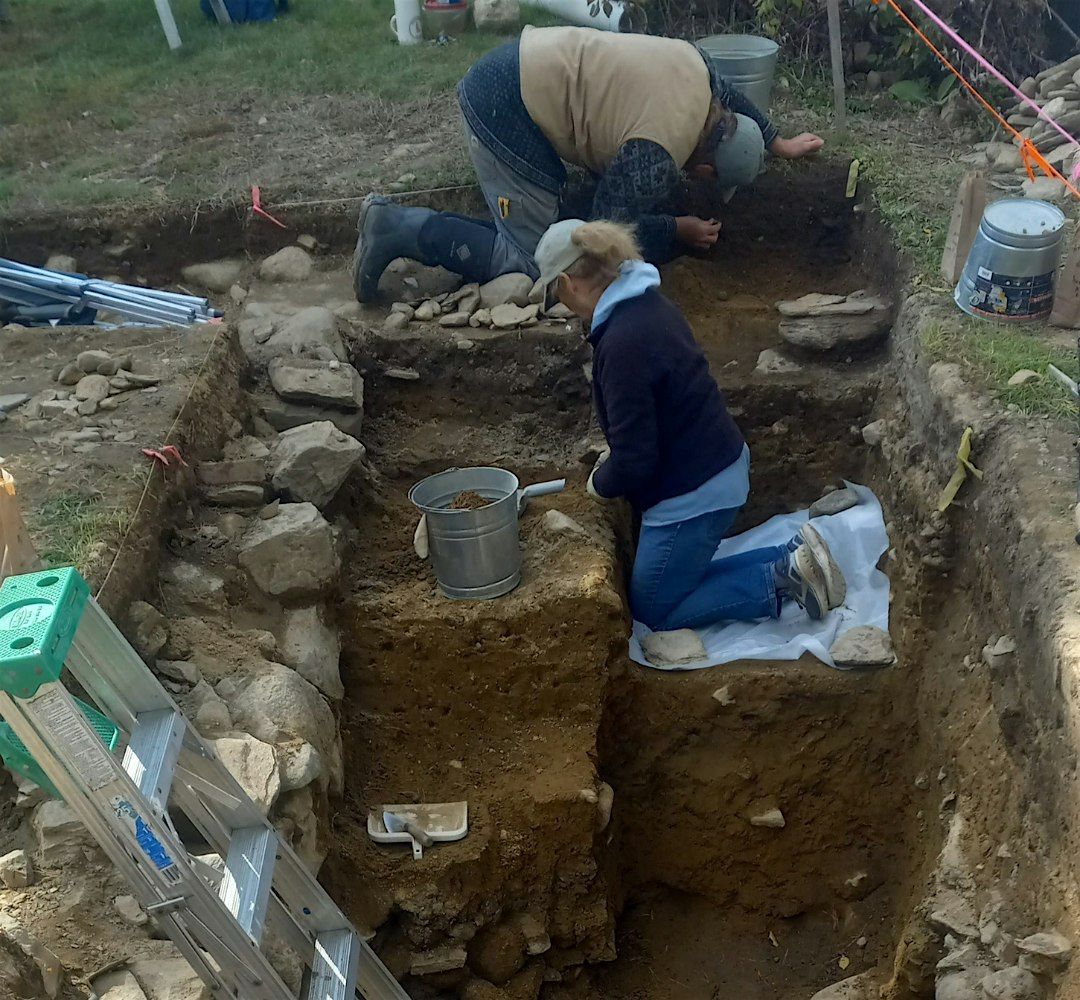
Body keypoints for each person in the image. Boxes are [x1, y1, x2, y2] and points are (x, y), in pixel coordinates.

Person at [352, 25, 824, 302]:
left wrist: (774, 139)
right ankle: (395, 226)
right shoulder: (655, 152)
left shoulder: (698, 70)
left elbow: (734, 93)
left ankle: (476, 221)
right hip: (504, 107)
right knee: (537, 262)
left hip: (526, 65)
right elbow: (605, 233)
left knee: (554, 231)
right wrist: (674, 229)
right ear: (705, 170)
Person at [533, 217, 847, 632]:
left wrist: (600, 484)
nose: (561, 303)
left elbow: (636, 461)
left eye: (556, 293)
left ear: (568, 283)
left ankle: (780, 580)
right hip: (717, 462)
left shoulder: (622, 342)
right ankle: (793, 555)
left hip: (695, 493)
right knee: (674, 583)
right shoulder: (644, 304)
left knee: (654, 608)